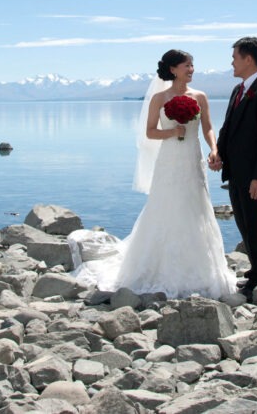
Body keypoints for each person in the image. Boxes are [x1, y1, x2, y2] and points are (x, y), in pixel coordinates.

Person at [70, 49, 235, 299]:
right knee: (165, 207)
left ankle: (202, 271)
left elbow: (208, 127)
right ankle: (160, 269)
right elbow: (149, 132)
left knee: (196, 206)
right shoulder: (159, 98)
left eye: (192, 65)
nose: (191, 70)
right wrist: (171, 132)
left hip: (192, 159)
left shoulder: (200, 96)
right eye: (186, 66)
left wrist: (214, 149)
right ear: (172, 69)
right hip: (169, 161)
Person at [210, 37, 257, 302]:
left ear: (248, 59)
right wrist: (218, 154)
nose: (232, 62)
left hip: (255, 175)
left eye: (235, 57)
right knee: (243, 223)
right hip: (236, 172)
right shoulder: (238, 90)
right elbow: (228, 129)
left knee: (255, 223)